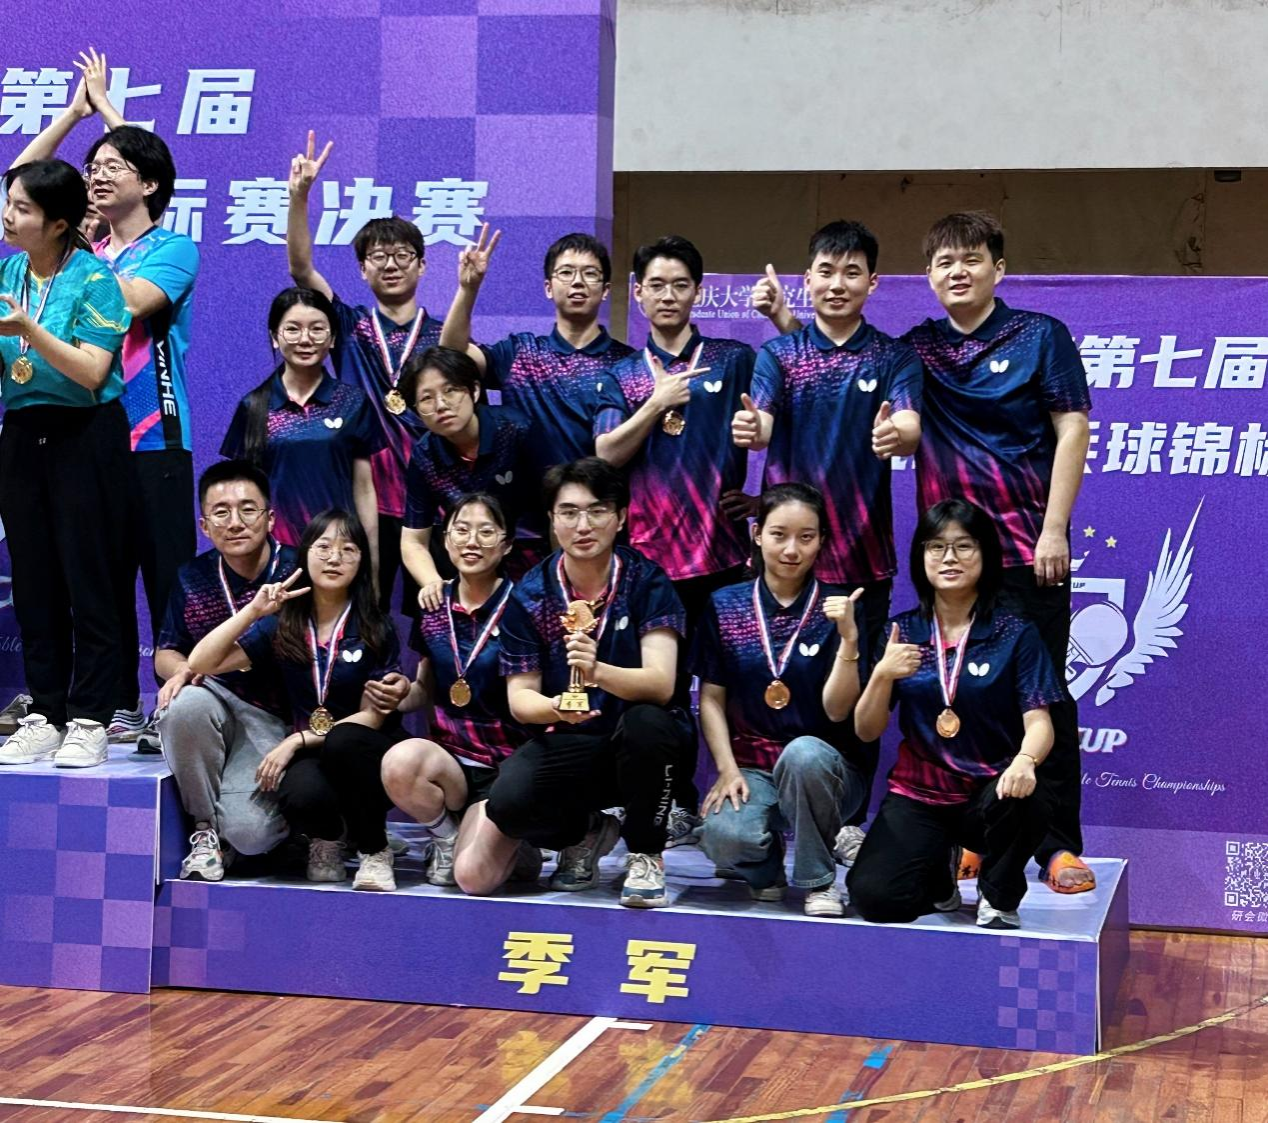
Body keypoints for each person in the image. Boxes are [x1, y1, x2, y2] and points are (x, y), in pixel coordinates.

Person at [6, 48, 201, 739]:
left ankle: (177, 706)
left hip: (154, 432)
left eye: (112, 167)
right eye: (92, 168)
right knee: (98, 576)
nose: (96, 175)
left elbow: (125, 304)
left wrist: (113, 118)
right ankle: (111, 703)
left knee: (167, 580)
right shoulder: (82, 250)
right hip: (88, 434)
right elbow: (22, 187)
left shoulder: (168, 250)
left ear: (149, 185)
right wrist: (72, 115)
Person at [905, 211, 1093, 894]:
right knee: (957, 697)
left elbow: (1072, 427)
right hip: (948, 562)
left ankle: (1058, 848)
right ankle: (976, 838)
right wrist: (784, 322)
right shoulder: (917, 348)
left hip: (1025, 552)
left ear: (998, 268)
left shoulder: (1040, 336)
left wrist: (1054, 527)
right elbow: (849, 365)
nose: (957, 271)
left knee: (1045, 702)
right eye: (944, 262)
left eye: (971, 258)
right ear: (929, 276)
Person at [734, 220, 923, 863]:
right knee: (780, 682)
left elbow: (909, 422)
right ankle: (771, 810)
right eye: (825, 271)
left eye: (852, 272)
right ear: (807, 279)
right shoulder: (780, 354)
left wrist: (898, 433)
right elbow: (761, 421)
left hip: (862, 561)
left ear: (873, 282)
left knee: (859, 695)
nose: (837, 284)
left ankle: (849, 818)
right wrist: (751, 428)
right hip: (787, 561)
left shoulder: (893, 356)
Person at [594, 233, 756, 841]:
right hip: (647, 564)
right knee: (654, 696)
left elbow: (780, 421)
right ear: (637, 293)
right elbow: (606, 453)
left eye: (680, 285)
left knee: (723, 685)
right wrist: (655, 403)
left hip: (720, 557)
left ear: (698, 292)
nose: (668, 295)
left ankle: (738, 798)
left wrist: (766, 501)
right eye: (656, 285)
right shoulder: (620, 374)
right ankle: (667, 803)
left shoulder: (733, 360)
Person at [485, 458, 693, 908]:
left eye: (597, 511)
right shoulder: (531, 594)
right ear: (552, 520)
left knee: (647, 723)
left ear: (620, 518)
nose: (583, 525)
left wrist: (598, 673)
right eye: (569, 512)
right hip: (573, 739)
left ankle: (646, 854)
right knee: (507, 804)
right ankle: (587, 831)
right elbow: (521, 699)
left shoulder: (647, 582)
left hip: (643, 743)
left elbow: (660, 684)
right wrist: (557, 708)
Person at [847, 500, 1065, 929]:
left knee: (1031, 795)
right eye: (936, 546)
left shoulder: (1014, 633)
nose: (949, 558)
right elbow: (866, 730)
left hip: (990, 792)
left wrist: (1025, 760)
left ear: (985, 555)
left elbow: (1039, 722)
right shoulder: (901, 632)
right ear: (921, 557)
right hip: (920, 793)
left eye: (964, 546)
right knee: (874, 899)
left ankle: (998, 895)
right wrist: (882, 675)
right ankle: (938, 880)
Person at [186, 510, 412, 890]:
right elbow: (200, 663)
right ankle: (331, 838)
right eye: (323, 547)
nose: (334, 558)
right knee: (301, 793)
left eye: (348, 549)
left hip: (364, 747)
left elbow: (373, 717)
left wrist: (298, 739)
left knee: (345, 743)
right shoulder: (284, 623)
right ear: (305, 554)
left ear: (361, 560)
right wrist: (253, 611)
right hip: (314, 752)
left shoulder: (375, 625)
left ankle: (375, 850)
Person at [0, 159, 130, 770]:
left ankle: (91, 719)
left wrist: (29, 327)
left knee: (89, 577)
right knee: (33, 579)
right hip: (22, 432)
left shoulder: (95, 279)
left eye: (22, 208)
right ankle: (45, 713)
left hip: (85, 433)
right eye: (9, 203)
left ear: (58, 223)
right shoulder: (8, 273)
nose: (8, 216)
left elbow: (91, 373)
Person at [286, 132, 442, 611]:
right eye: (378, 257)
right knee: (358, 611)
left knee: (435, 616)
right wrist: (300, 196)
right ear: (361, 269)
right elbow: (301, 269)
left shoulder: (443, 336)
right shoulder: (349, 325)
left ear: (422, 265)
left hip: (429, 498)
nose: (390, 265)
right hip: (361, 496)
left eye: (402, 256)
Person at [695, 484, 868, 917]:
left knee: (804, 754)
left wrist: (849, 639)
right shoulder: (725, 605)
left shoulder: (838, 607)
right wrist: (727, 768)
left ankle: (819, 881)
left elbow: (838, 711)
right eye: (779, 535)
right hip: (752, 767)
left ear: (822, 540)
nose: (792, 549)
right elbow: (711, 699)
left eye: (806, 537)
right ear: (757, 535)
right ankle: (765, 869)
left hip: (826, 770)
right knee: (722, 837)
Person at [381, 494, 541, 893]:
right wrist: (400, 693)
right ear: (446, 541)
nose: (472, 541)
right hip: (451, 764)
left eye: (486, 532)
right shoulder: (433, 606)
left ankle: (517, 839)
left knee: (472, 879)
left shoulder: (524, 607)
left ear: (506, 544)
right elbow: (423, 689)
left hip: (506, 770)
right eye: (462, 530)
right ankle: (448, 839)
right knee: (399, 762)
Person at [155, 461, 298, 881]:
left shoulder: (295, 572)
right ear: (204, 525)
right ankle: (205, 832)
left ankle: (282, 831)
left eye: (248, 509)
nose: (235, 522)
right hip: (215, 701)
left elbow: (248, 652)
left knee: (251, 834)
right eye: (221, 512)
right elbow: (165, 652)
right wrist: (183, 670)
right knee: (184, 704)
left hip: (277, 717)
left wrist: (201, 664)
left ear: (270, 518)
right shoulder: (192, 576)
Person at [439, 226, 634, 477]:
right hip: (525, 500)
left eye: (590, 273)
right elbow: (451, 357)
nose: (578, 282)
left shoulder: (626, 364)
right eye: (566, 272)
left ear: (605, 290)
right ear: (548, 287)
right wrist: (468, 289)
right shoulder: (520, 352)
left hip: (597, 499)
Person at [221, 288, 382, 578]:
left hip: (338, 554)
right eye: (293, 329)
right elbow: (243, 496)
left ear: (333, 338)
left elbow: (364, 489)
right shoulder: (253, 406)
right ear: (275, 336)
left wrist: (371, 562)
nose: (305, 339)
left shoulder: (353, 402)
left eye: (317, 329)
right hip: (276, 558)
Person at [398, 346, 541, 611]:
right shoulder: (425, 455)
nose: (441, 405)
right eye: (427, 398)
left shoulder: (516, 430)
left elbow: (556, 511)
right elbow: (413, 540)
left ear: (474, 390)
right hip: (467, 570)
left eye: (450, 390)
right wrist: (433, 583)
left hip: (531, 566)